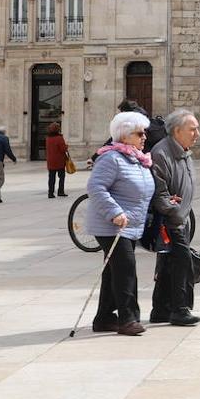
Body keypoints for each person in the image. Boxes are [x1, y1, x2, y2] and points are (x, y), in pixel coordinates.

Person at [87, 111, 156, 336]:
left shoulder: (137, 158)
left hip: (130, 225)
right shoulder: (112, 158)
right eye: (139, 133)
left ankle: (104, 318)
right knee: (126, 270)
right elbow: (96, 188)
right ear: (125, 136)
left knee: (113, 272)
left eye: (144, 132)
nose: (144, 137)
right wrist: (114, 212)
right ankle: (128, 319)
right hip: (112, 226)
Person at [149, 109, 200, 327]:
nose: (197, 133)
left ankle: (160, 310)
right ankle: (180, 309)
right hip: (170, 221)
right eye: (192, 129)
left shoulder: (184, 150)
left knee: (169, 264)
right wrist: (172, 208)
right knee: (182, 263)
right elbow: (159, 192)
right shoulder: (161, 153)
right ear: (177, 131)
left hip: (181, 218)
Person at [45, 123, 69, 199]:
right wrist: (66, 146)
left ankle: (50, 193)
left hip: (50, 161)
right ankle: (60, 191)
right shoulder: (59, 138)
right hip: (59, 161)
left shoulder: (48, 138)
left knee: (51, 178)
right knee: (61, 177)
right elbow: (63, 149)